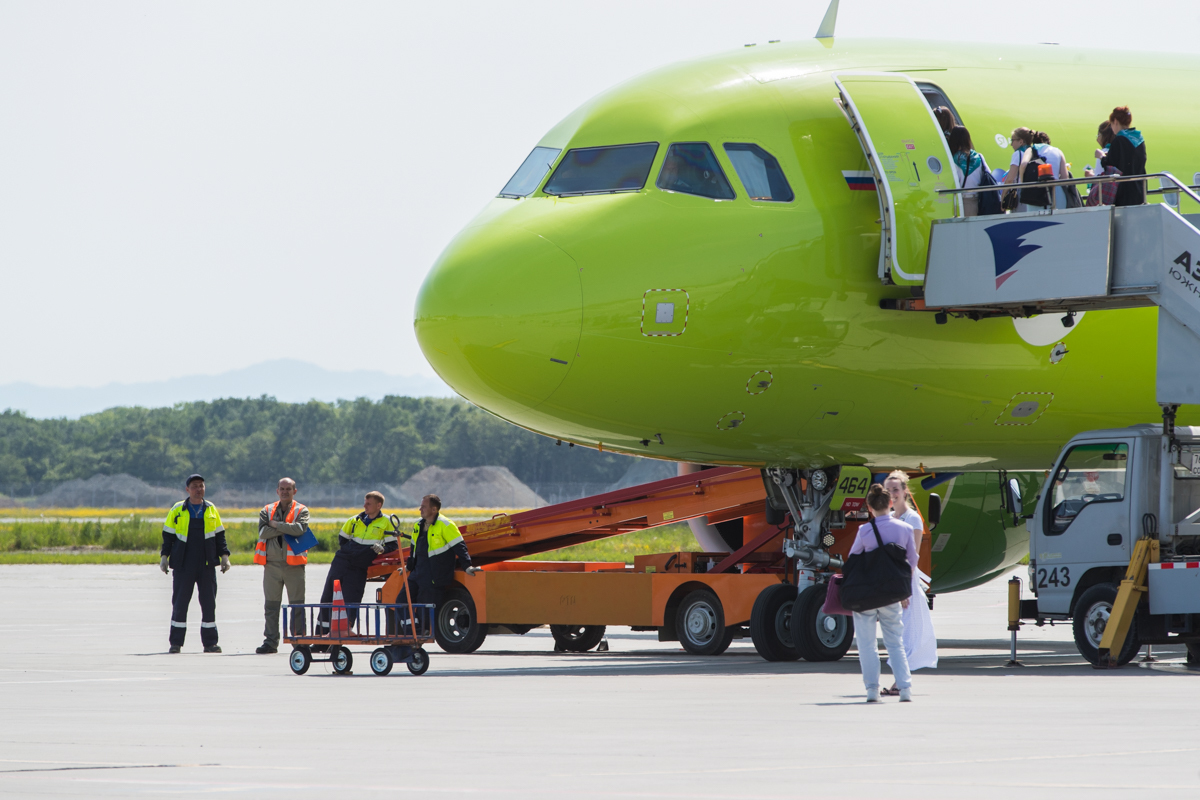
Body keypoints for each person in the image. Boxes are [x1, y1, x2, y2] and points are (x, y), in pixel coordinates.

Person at [849, 483, 919, 703]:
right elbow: (912, 561)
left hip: (868, 594)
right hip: (892, 593)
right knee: (895, 642)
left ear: (870, 508)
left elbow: (853, 558)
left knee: (867, 644)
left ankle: (872, 690)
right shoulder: (905, 529)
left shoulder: (864, 531)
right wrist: (904, 590)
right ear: (890, 503)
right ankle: (905, 689)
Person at [160, 474, 230, 653]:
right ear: (187, 489)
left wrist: (224, 556)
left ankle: (210, 643)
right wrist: (164, 557)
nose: (199, 489)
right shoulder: (177, 509)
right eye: (195, 486)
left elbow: (220, 535)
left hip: (206, 564)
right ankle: (176, 643)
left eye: (201, 486)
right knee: (180, 603)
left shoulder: (211, 509)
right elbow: (168, 536)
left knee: (208, 603)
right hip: (184, 564)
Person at [884, 471, 937, 694]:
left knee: (905, 634)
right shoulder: (890, 519)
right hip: (892, 581)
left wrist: (904, 588)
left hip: (905, 582)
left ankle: (900, 683)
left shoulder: (912, 518)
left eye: (896, 489)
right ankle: (900, 681)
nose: (892, 494)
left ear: (905, 491)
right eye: (888, 490)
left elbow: (912, 556)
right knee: (894, 634)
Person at [316, 491, 398, 636]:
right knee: (328, 594)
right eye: (365, 502)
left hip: (360, 563)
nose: (364, 506)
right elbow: (342, 539)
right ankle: (322, 632)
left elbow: (393, 547)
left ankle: (345, 629)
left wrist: (382, 549)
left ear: (379, 505)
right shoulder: (354, 520)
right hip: (343, 559)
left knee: (352, 595)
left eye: (369, 503)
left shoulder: (386, 522)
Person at [254, 477, 309, 655]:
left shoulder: (302, 510)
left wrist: (276, 525)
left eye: (289, 489)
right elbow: (263, 532)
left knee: (297, 606)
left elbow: (300, 529)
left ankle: (299, 641)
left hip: (294, 565)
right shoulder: (267, 510)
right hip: (271, 565)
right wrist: (288, 527)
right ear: (277, 491)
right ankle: (270, 642)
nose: (285, 491)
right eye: (282, 489)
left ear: (295, 491)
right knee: (271, 606)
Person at [400, 494, 475, 617]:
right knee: (401, 600)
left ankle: (420, 633)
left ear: (434, 509)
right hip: (417, 574)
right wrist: (408, 567)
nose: (420, 509)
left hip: (433, 577)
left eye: (423, 507)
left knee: (424, 610)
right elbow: (414, 549)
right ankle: (412, 630)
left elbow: (460, 547)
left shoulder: (445, 525)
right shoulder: (417, 525)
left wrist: (467, 566)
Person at [1099, 106, 1146, 206]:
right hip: (1139, 190)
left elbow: (1110, 164)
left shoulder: (1119, 140)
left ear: (1115, 121)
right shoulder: (1140, 139)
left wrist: (1102, 157)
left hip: (1123, 193)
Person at [948, 126, 988, 217]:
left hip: (960, 201)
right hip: (979, 201)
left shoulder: (953, 159)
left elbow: (953, 181)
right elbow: (987, 175)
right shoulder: (979, 156)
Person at [1031, 131, 1072, 208]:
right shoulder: (1057, 151)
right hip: (1056, 192)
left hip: (1035, 193)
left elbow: (1023, 165)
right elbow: (1065, 178)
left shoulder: (1031, 150)